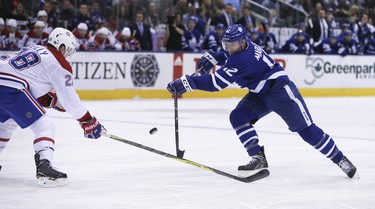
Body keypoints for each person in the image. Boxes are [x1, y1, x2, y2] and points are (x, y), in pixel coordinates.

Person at [166, 24, 358, 179]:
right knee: (238, 117)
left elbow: (215, 83)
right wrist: (214, 57)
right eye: (225, 44)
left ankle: (340, 159)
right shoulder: (243, 45)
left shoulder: (242, 58)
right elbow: (227, 56)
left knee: (306, 131)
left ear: (241, 42)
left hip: (281, 92)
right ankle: (257, 157)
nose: (227, 48)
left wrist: (187, 82)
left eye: (230, 45)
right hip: (260, 93)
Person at [0, 27, 106, 187]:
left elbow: (29, 82)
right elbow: (70, 100)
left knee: (7, 124)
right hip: (10, 88)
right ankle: (44, 166)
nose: (67, 56)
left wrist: (51, 101)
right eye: (68, 51)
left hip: (5, 83)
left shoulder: (35, 48)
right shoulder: (58, 61)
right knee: (44, 124)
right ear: (62, 47)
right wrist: (88, 121)